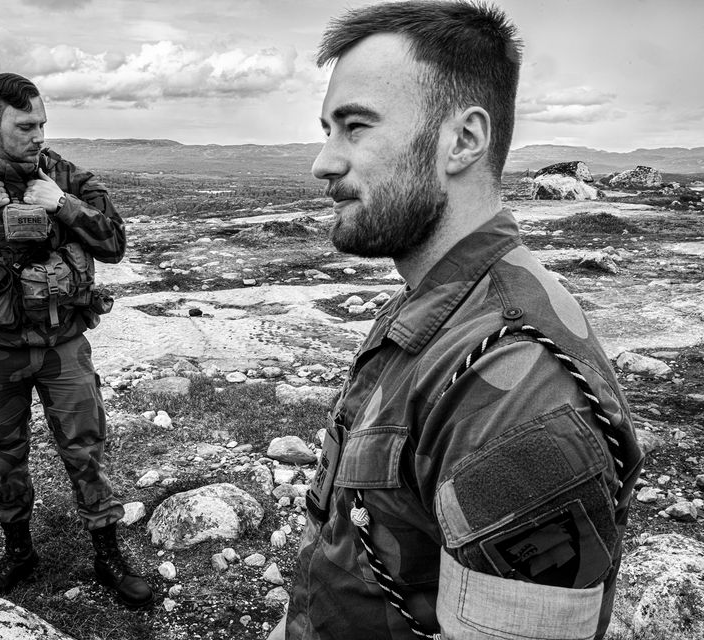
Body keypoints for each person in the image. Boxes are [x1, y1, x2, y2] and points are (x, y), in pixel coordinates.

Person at [272, 3, 643, 639]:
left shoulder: (519, 392)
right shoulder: (431, 308)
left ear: (464, 141)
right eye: (327, 129)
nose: (324, 162)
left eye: (355, 127)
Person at [0, 73, 153, 608]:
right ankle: (18, 552)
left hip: (63, 344)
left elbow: (116, 244)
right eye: (25, 125)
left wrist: (63, 204)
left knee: (85, 449)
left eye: (41, 123)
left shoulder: (65, 176)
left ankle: (107, 553)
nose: (37, 134)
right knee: (4, 455)